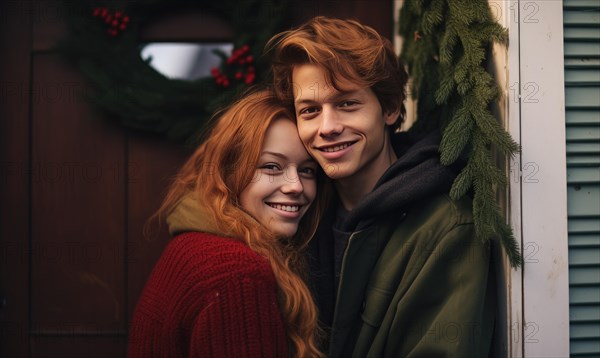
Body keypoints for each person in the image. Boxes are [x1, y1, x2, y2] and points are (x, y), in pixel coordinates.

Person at [266, 16, 496, 357]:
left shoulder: (446, 228)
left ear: (388, 108)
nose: (327, 127)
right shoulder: (301, 213)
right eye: (310, 110)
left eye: (346, 103)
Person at [127, 89, 328, 357]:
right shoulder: (237, 273)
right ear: (229, 173)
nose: (295, 186)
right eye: (271, 167)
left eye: (307, 170)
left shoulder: (197, 241)